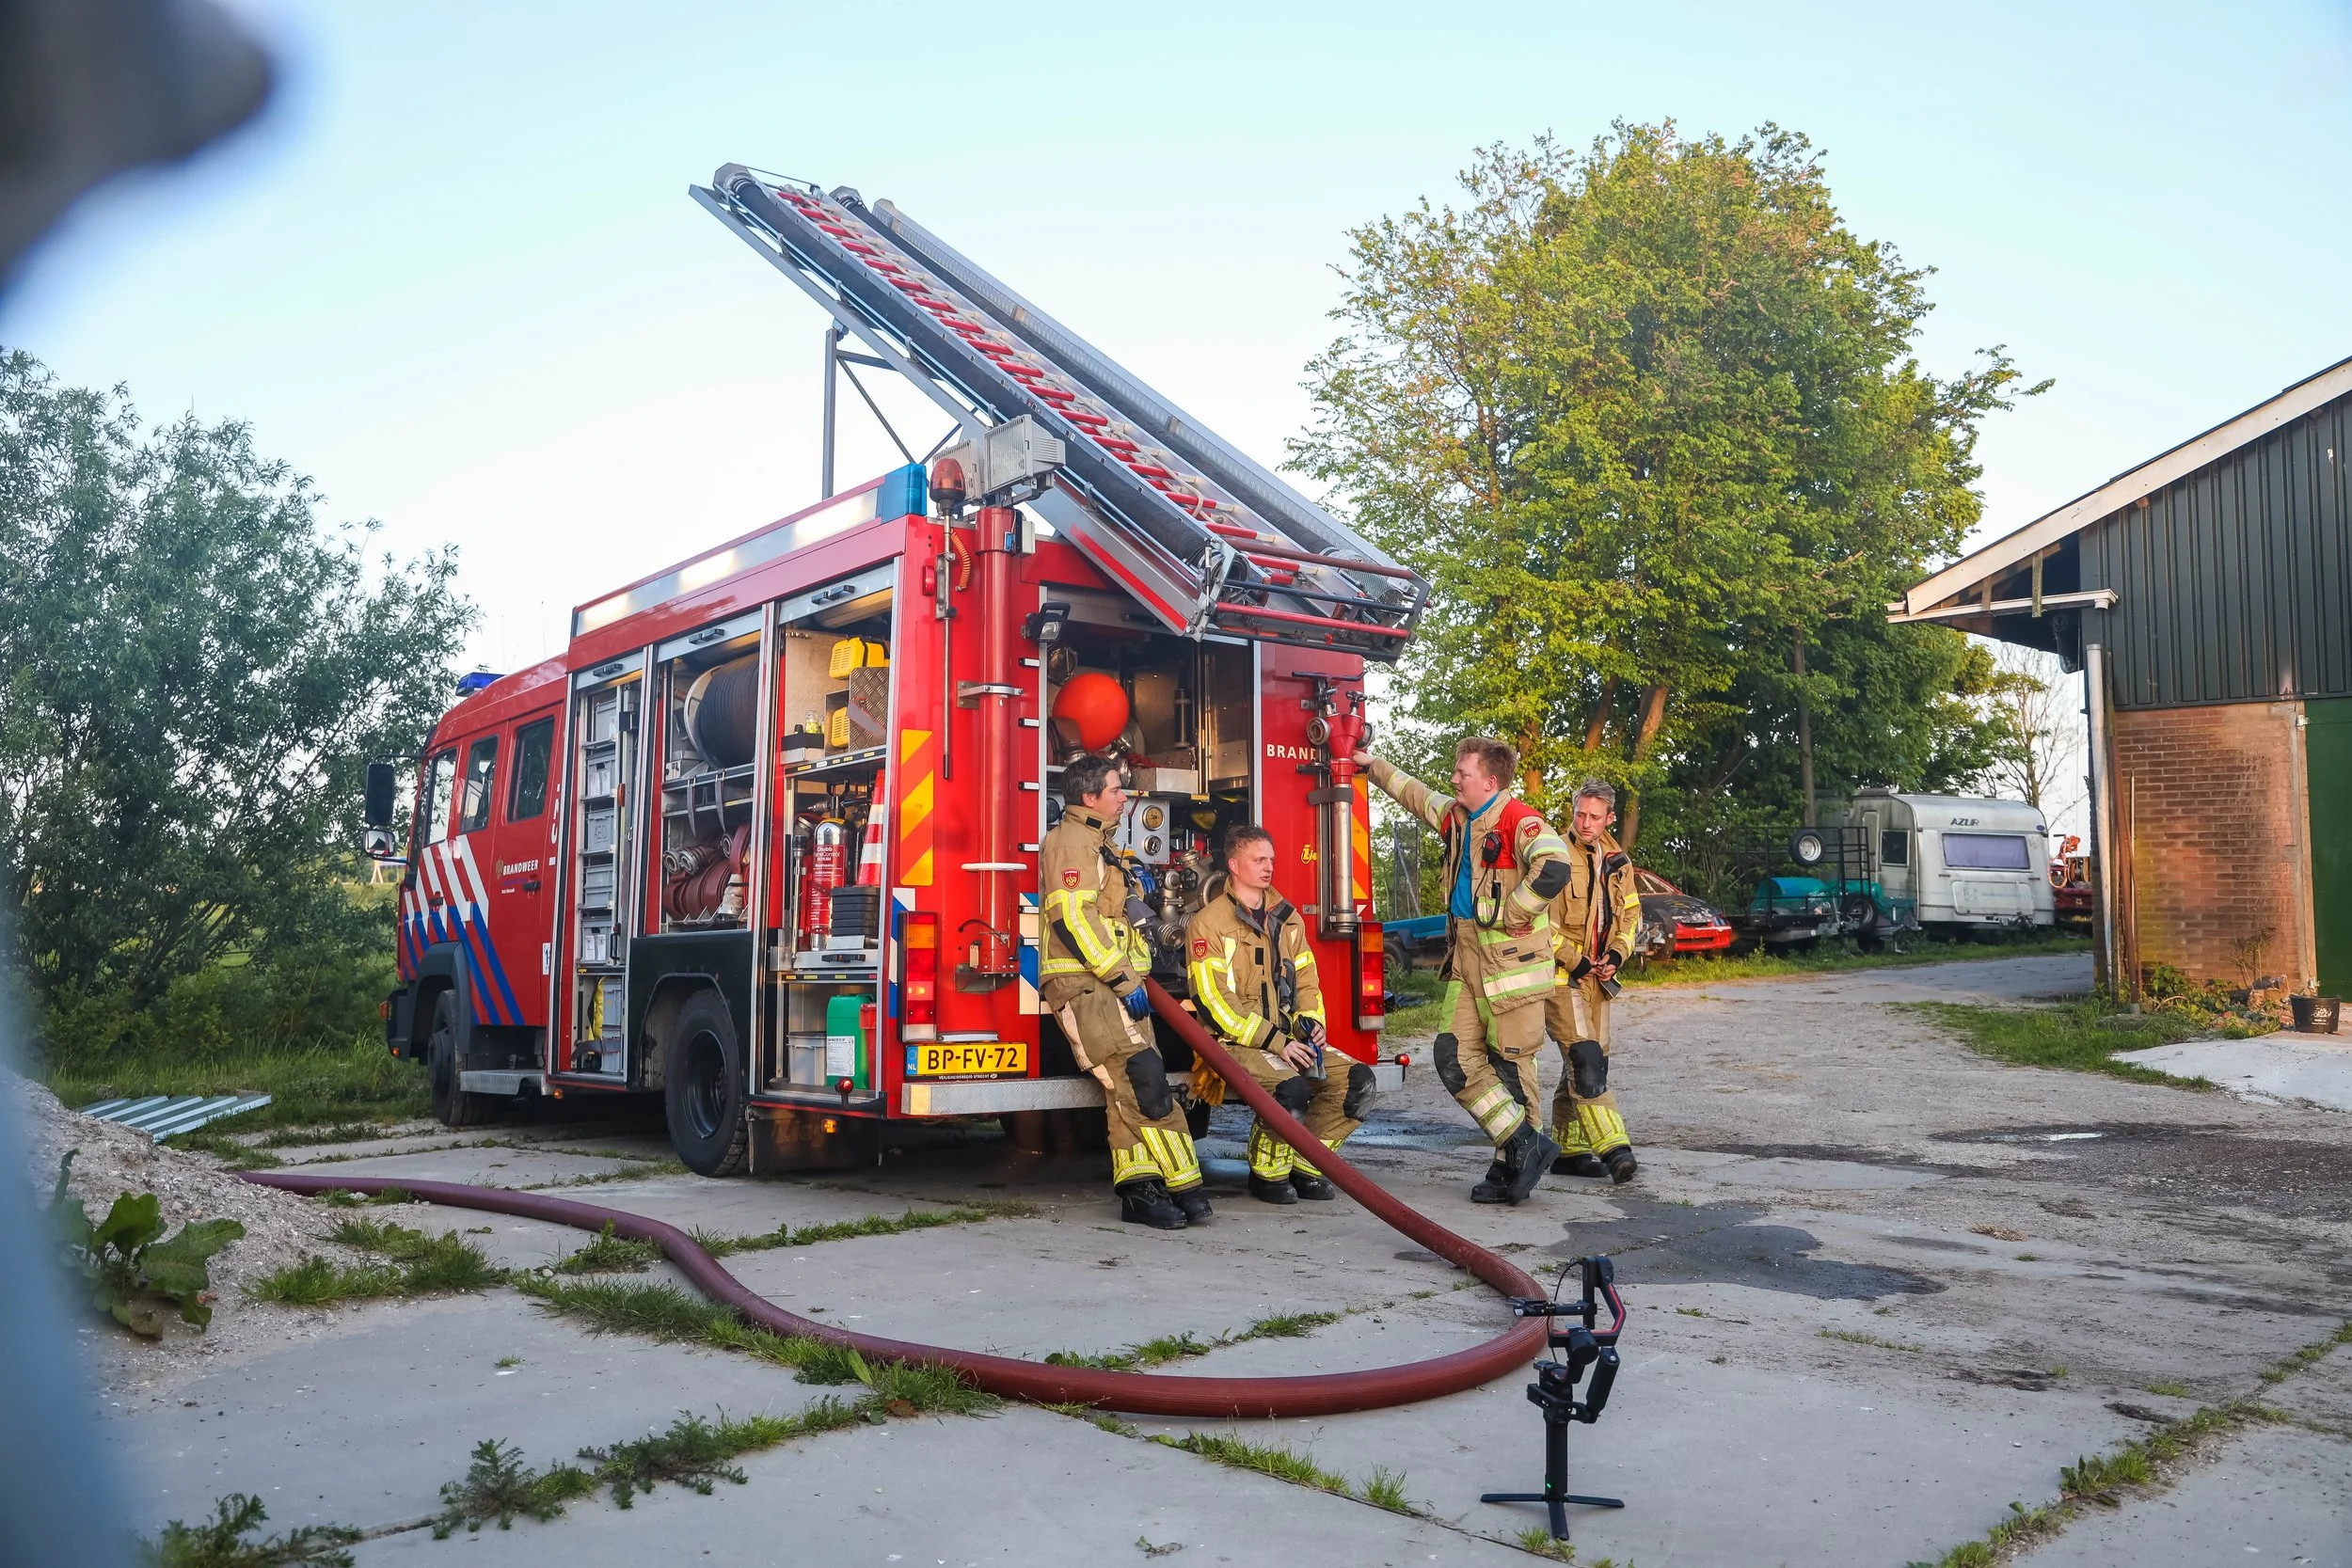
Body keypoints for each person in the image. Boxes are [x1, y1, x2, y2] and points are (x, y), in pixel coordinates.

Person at [1356, 736, 1571, 1204]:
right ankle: (1521, 1146)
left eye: (1463, 773)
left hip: (1509, 966)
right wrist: (1370, 765)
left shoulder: (1519, 819)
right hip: (1468, 959)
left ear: (1490, 782)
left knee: (1511, 1067)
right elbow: (1412, 792)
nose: (1454, 779)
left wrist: (1515, 911)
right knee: (1453, 1058)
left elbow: (1555, 864)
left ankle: (1510, 1166)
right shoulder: (1458, 817)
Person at [1040, 753, 1210, 1229]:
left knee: (1124, 1090)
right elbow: (1073, 920)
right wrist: (1120, 976)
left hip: (1114, 984)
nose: (1125, 797)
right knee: (1143, 1078)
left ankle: (1139, 1190)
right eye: (1117, 790)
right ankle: (1186, 1185)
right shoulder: (1070, 842)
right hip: (1088, 985)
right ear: (1089, 797)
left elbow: (1114, 912)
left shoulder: (1101, 843)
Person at [1185, 823, 1376, 1205]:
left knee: (1358, 1082)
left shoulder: (1287, 918)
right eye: (1259, 860)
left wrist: (1313, 1024)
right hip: (1236, 1043)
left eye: (1271, 859)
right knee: (1290, 1090)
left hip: (1289, 1039)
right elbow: (1213, 1000)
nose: (1268, 867)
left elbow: (1307, 980)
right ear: (1234, 865)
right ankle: (1267, 1174)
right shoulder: (1208, 923)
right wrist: (1277, 1042)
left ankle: (1309, 1167)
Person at [1546, 779, 1643, 1184]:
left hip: (1599, 980)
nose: (1585, 823)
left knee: (1588, 1062)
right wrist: (1577, 960)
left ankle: (1567, 1152)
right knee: (1585, 1057)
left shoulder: (1619, 862)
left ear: (1610, 818)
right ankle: (1614, 1148)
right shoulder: (1551, 854)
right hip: (1560, 977)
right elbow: (1536, 923)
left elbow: (1630, 916)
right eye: (1580, 813)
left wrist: (1616, 955)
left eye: (1594, 816)